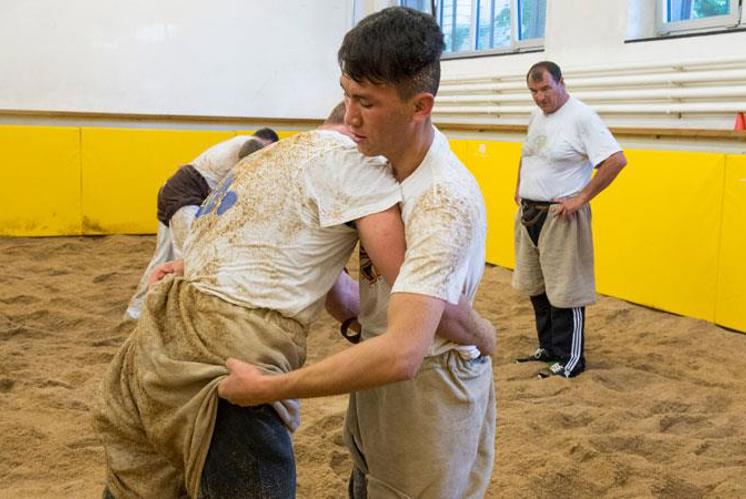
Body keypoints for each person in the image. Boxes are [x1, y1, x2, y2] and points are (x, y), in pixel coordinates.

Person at [96, 101, 490, 498]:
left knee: (140, 487)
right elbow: (419, 292)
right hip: (228, 353)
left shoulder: (272, 156)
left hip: (152, 348)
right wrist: (483, 334)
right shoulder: (354, 160)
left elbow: (319, 281)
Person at [219, 7, 496, 498]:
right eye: (346, 95)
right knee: (367, 483)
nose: (349, 117)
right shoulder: (378, 170)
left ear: (420, 106)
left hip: (428, 379)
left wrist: (267, 389)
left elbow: (405, 353)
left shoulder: (442, 199)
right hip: (378, 363)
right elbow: (366, 298)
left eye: (366, 102)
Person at [513, 61, 627, 378]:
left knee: (566, 290)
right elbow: (527, 154)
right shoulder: (536, 116)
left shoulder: (582, 117)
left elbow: (615, 161)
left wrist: (580, 198)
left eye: (545, 89)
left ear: (562, 83)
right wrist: (519, 186)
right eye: (533, 91)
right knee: (537, 287)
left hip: (560, 215)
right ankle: (548, 348)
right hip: (529, 212)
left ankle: (570, 358)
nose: (539, 97)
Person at [123, 129, 277, 320]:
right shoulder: (252, 144)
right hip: (185, 196)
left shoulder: (234, 148)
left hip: (176, 189)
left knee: (165, 258)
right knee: (191, 258)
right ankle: (179, 315)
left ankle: (135, 312)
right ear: (268, 143)